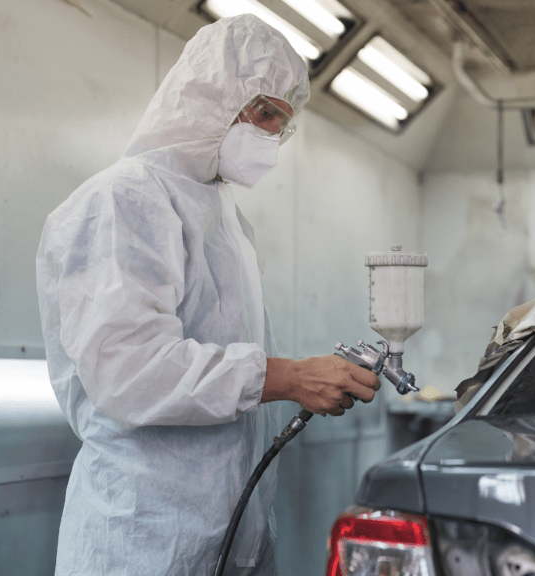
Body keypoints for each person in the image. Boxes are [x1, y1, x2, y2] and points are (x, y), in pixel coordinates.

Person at [35, 14, 379, 575]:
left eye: (280, 125)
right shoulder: (123, 202)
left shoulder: (226, 223)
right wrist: (287, 377)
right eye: (264, 114)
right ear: (209, 95)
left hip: (227, 532)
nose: (268, 137)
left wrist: (294, 378)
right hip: (144, 537)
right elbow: (128, 369)